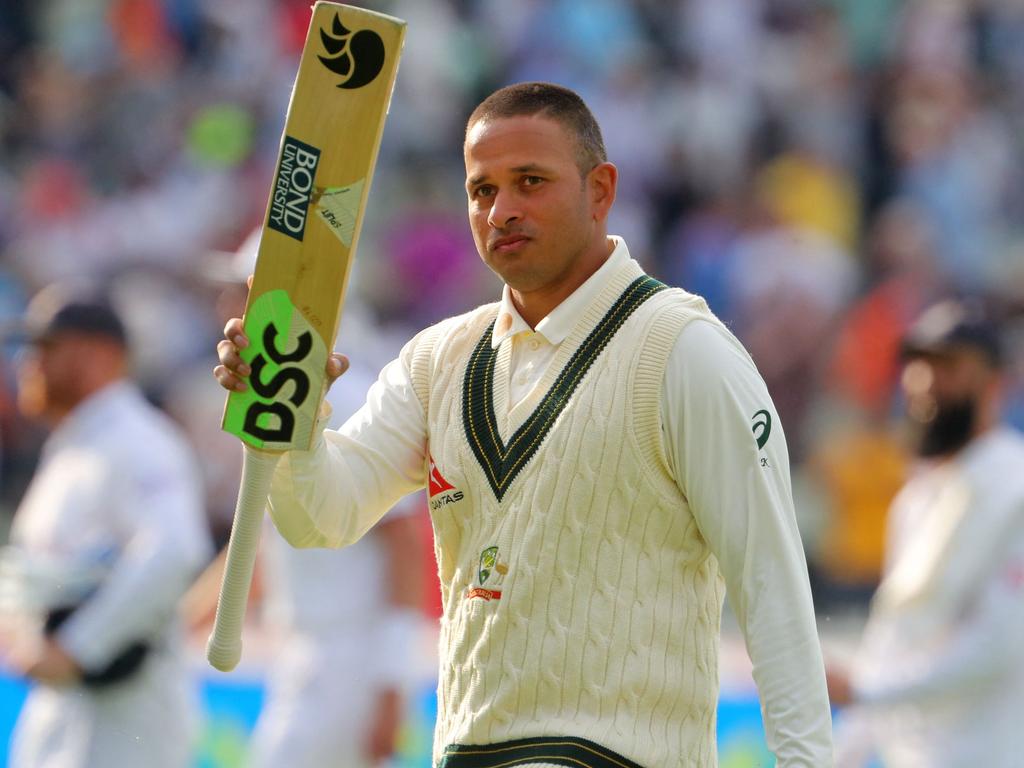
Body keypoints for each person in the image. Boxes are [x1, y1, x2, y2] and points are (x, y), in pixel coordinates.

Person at [215, 82, 832, 766]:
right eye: (482, 190)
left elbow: (772, 588)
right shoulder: (438, 359)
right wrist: (289, 416)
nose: (502, 210)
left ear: (600, 190)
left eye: (530, 182)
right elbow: (320, 518)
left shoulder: (683, 350)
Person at [183, 229, 430, 768]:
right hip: (304, 657)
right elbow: (263, 533)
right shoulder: (280, 392)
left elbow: (405, 544)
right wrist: (180, 624)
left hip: (348, 664)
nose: (228, 307)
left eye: (243, 291)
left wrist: (390, 682)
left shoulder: (359, 391)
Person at [1, 283, 213, 768]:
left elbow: (176, 549)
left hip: (126, 714)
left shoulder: (139, 441)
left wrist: (78, 647)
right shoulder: (73, 446)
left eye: (45, 348)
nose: (26, 364)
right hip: (64, 707)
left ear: (100, 355)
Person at [827, 298, 1024, 767]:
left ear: (995, 382)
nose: (926, 381)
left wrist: (865, 691)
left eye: (950, 366)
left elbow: (1001, 643)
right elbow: (893, 637)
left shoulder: (1015, 485)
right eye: (919, 363)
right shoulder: (915, 499)